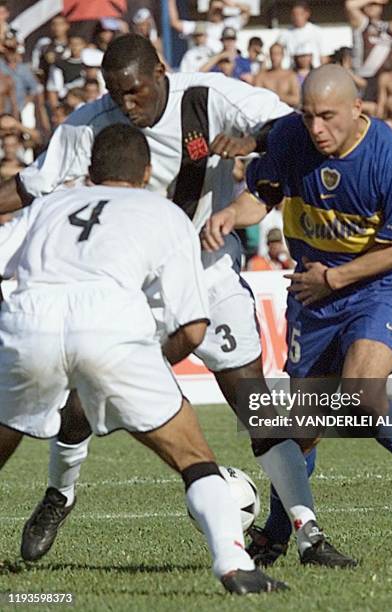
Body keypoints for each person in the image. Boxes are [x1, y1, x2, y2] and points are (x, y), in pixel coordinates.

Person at [0, 34, 354, 570]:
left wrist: (260, 142)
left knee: (255, 404)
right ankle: (59, 495)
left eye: (135, 92)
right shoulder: (86, 124)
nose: (126, 104)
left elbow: (289, 127)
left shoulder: (207, 99)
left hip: (205, 269)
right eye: (115, 94)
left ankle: (307, 533)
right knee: (76, 408)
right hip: (128, 288)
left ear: (161, 72)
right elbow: (32, 187)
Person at [0, 124, 285, 596]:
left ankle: (59, 493)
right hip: (112, 326)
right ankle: (235, 564)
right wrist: (144, 365)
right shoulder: (165, 212)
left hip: (32, 320)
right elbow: (193, 328)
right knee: (194, 458)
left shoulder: (49, 205)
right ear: (149, 172)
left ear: (90, 171)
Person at [202, 64, 392, 564]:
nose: (317, 129)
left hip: (378, 285)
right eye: (308, 117)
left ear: (357, 109)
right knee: (304, 424)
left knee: (361, 397)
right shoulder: (289, 138)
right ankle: (281, 535)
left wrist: (339, 278)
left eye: (327, 117)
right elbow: (262, 197)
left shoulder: (390, 156)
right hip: (313, 292)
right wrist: (228, 216)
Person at [169, 0, 250, 55]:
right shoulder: (200, 26)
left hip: (226, 63)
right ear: (209, 10)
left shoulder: (230, 23)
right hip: (206, 63)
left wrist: (230, 4)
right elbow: (175, 23)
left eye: (219, 10)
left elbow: (247, 10)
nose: (217, 13)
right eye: (214, 10)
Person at [279, 1, 330, 68]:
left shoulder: (317, 31)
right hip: (292, 71)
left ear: (307, 14)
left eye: (300, 14)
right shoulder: (284, 34)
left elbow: (324, 56)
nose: (297, 17)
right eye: (294, 14)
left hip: (313, 71)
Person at [255, 43, 300, 108]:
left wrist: (274, 96)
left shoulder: (290, 75)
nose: (274, 57)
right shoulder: (262, 76)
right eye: (272, 54)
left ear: (282, 55)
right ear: (269, 56)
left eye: (277, 54)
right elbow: (257, 98)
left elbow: (296, 100)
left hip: (286, 114)